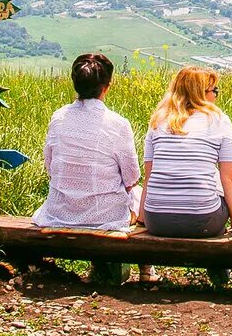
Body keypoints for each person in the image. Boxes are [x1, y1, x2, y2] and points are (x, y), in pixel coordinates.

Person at [32, 53, 157, 283]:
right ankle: (146, 270)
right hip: (106, 215)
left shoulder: (58, 117)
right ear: (106, 87)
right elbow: (131, 179)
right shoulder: (118, 124)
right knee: (141, 195)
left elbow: (50, 167)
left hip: (60, 213)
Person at [136, 67, 232, 242]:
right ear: (200, 94)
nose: (216, 95)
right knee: (216, 176)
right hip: (203, 222)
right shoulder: (219, 120)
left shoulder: (157, 121)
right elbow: (229, 180)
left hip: (156, 221)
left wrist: (143, 218)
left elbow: (149, 176)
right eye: (214, 90)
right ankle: (218, 268)